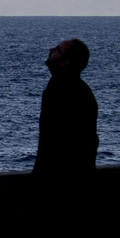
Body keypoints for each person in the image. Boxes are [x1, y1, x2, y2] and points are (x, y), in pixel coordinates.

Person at [33, 38, 99, 179]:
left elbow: (56, 144)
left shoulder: (60, 91)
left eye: (57, 49)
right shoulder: (80, 90)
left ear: (65, 61)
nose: (51, 50)